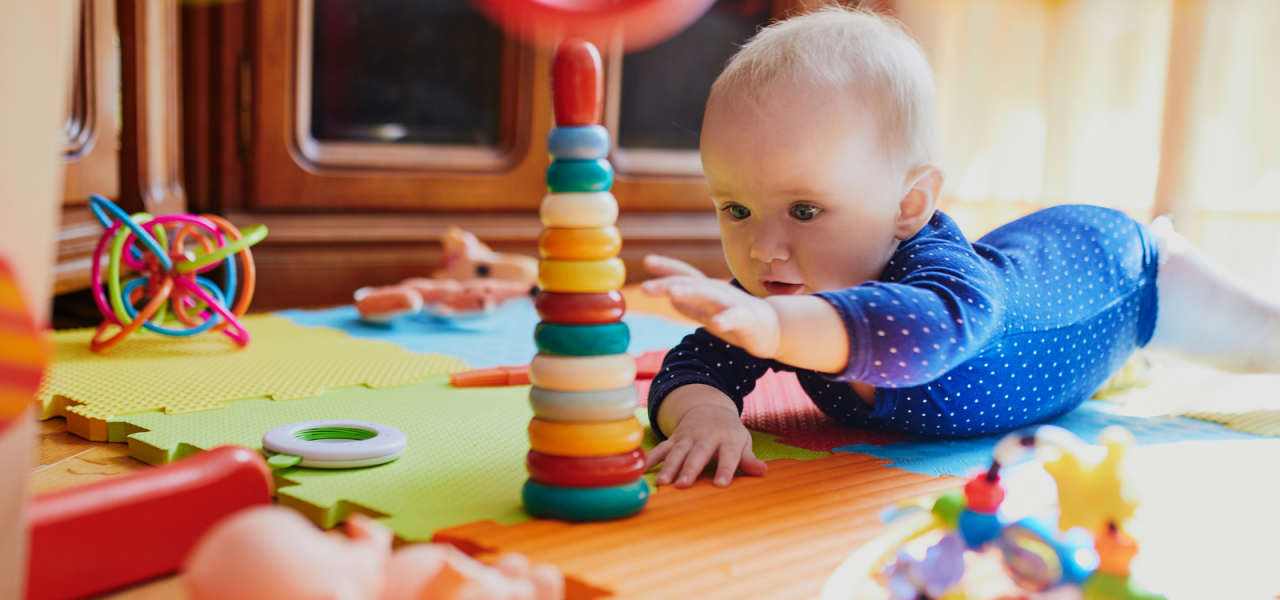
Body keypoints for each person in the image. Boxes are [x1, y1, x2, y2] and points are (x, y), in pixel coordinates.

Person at [640, 6, 1280, 490]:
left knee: (1264, 341)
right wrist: (705, 415)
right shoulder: (777, 298)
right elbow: (689, 368)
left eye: (804, 210)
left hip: (1122, 271)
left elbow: (921, 335)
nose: (763, 247)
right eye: (736, 209)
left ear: (908, 207)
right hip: (1025, 266)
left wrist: (773, 328)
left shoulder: (940, 287)